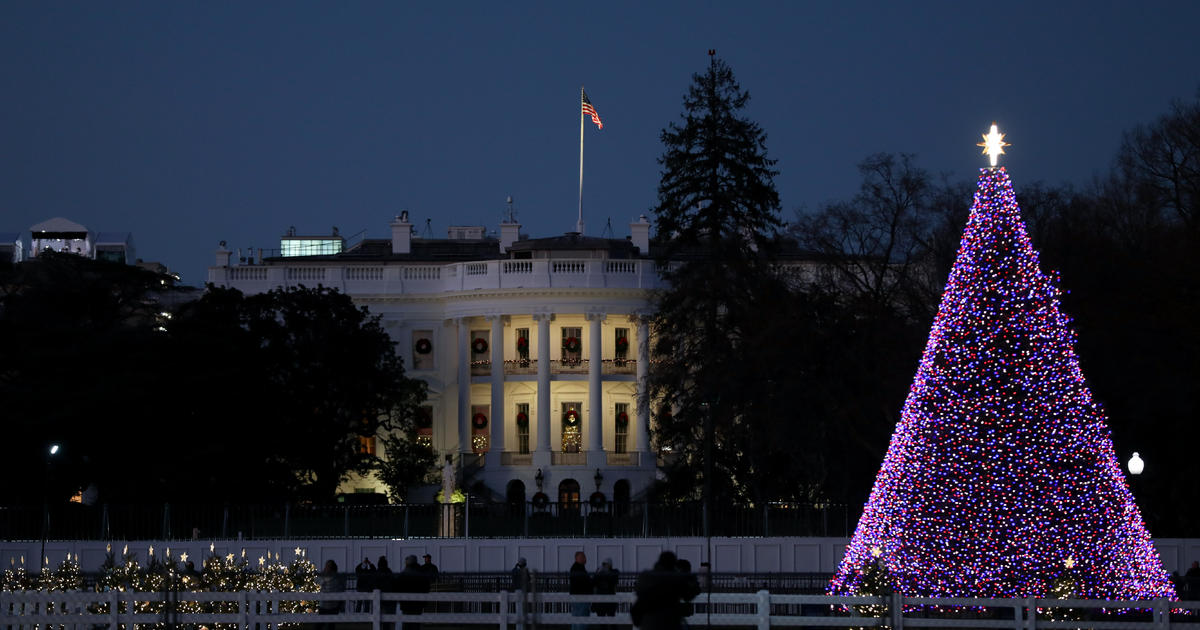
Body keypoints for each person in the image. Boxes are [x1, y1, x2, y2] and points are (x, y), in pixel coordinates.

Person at [632, 551, 699, 630]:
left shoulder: (647, 576)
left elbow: (638, 593)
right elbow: (688, 595)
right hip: (669, 621)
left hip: (649, 621)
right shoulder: (675, 578)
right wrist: (693, 584)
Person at [395, 554, 430, 630]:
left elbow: (397, 586)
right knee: (416, 624)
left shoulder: (404, 574)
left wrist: (399, 599)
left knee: (407, 623)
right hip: (418, 603)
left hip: (406, 603)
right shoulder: (421, 573)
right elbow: (426, 587)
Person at [568, 551, 593, 630]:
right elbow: (584, 582)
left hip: (576, 597)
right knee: (582, 619)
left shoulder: (575, 568)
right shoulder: (578, 569)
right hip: (582, 597)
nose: (585, 559)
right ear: (577, 558)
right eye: (583, 557)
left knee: (576, 617)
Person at [592, 558, 619, 628]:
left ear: (610, 565)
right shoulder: (599, 573)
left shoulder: (614, 573)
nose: (605, 566)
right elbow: (593, 583)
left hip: (610, 600)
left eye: (606, 564)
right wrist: (598, 574)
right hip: (600, 601)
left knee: (612, 621)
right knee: (602, 622)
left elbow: (614, 581)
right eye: (603, 564)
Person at [317, 559, 344, 630]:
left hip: (332, 606)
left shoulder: (335, 579)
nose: (326, 567)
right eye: (326, 566)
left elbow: (339, 590)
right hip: (325, 605)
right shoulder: (323, 577)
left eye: (328, 566)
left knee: (329, 625)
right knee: (320, 625)